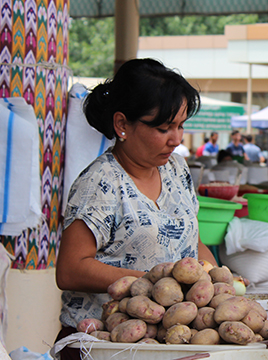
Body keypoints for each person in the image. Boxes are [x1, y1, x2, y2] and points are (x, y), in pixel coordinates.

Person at [54, 59, 217, 358]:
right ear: (122, 125)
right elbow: (70, 269)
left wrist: (218, 280)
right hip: (103, 342)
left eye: (180, 126)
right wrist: (155, 283)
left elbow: (192, 243)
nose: (177, 139)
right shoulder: (99, 183)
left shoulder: (176, 170)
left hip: (164, 344)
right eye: (164, 128)